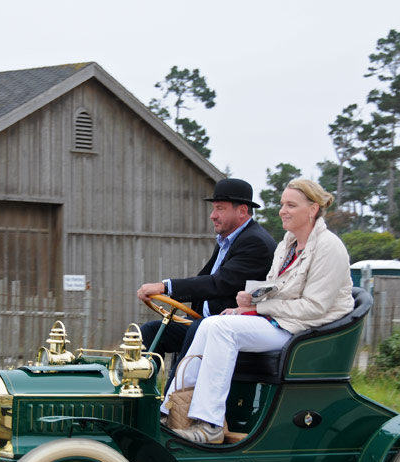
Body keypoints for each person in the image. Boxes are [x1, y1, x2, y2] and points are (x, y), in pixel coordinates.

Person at [165, 178, 354, 444]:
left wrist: (258, 306)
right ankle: (172, 413)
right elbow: (277, 288)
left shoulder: (329, 247)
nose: (282, 211)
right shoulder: (287, 244)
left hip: (306, 330)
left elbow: (315, 307)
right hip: (281, 322)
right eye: (282, 204)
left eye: (291, 205)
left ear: (312, 209)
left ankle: (210, 425)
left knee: (221, 330)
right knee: (211, 323)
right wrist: (247, 305)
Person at [136, 177, 277, 379]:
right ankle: (142, 395)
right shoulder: (228, 240)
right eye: (213, 209)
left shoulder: (255, 243)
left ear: (242, 211)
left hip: (227, 326)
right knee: (150, 332)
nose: (213, 215)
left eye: (220, 209)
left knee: (194, 333)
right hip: (203, 321)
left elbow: (218, 283)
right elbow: (206, 278)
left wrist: (164, 287)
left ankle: (172, 404)